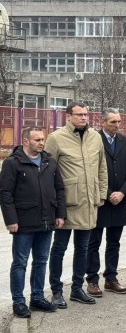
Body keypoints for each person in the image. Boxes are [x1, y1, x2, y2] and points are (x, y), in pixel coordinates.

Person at [46, 101, 108, 308]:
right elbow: (47, 173)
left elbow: (102, 168)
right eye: (79, 114)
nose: (83, 118)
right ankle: (56, 291)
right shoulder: (56, 138)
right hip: (66, 205)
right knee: (59, 249)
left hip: (89, 203)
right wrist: (53, 204)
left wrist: (101, 194)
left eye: (86, 114)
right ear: (68, 116)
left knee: (83, 248)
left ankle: (76, 289)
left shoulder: (95, 137)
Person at [0, 128, 66, 318]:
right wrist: (11, 219)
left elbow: (59, 189)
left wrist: (60, 214)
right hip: (23, 223)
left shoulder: (49, 161)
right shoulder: (13, 163)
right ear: (26, 141)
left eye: (43, 139)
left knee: (41, 261)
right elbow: (5, 194)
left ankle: (37, 297)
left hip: (47, 221)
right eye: (37, 139)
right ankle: (19, 302)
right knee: (20, 263)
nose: (41, 142)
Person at [85, 109, 126, 297]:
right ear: (103, 122)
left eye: (119, 121)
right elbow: (91, 171)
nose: (117, 125)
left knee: (114, 242)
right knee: (94, 242)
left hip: (119, 202)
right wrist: (106, 194)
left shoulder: (125, 142)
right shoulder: (93, 140)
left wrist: (122, 193)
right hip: (100, 200)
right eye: (113, 121)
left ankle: (111, 278)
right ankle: (92, 280)